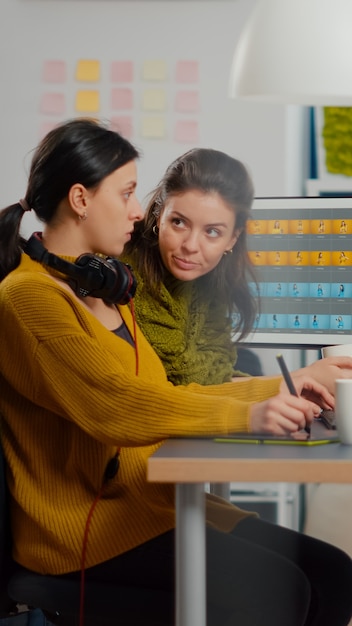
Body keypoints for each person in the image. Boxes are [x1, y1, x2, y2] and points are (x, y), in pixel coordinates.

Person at [0, 120, 352, 626]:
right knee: (283, 591)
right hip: (86, 532)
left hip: (149, 504)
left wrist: (288, 385)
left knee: (334, 572)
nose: (139, 210)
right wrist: (249, 415)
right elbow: (117, 406)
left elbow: (162, 392)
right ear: (81, 198)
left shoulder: (102, 289)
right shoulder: (30, 298)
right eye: (125, 194)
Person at [123, 147, 352, 393]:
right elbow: (185, 378)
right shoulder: (131, 273)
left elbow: (218, 373)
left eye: (212, 232)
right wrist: (301, 378)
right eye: (178, 222)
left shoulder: (209, 278)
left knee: (249, 362)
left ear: (232, 239)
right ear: (159, 216)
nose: (190, 246)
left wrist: (299, 384)